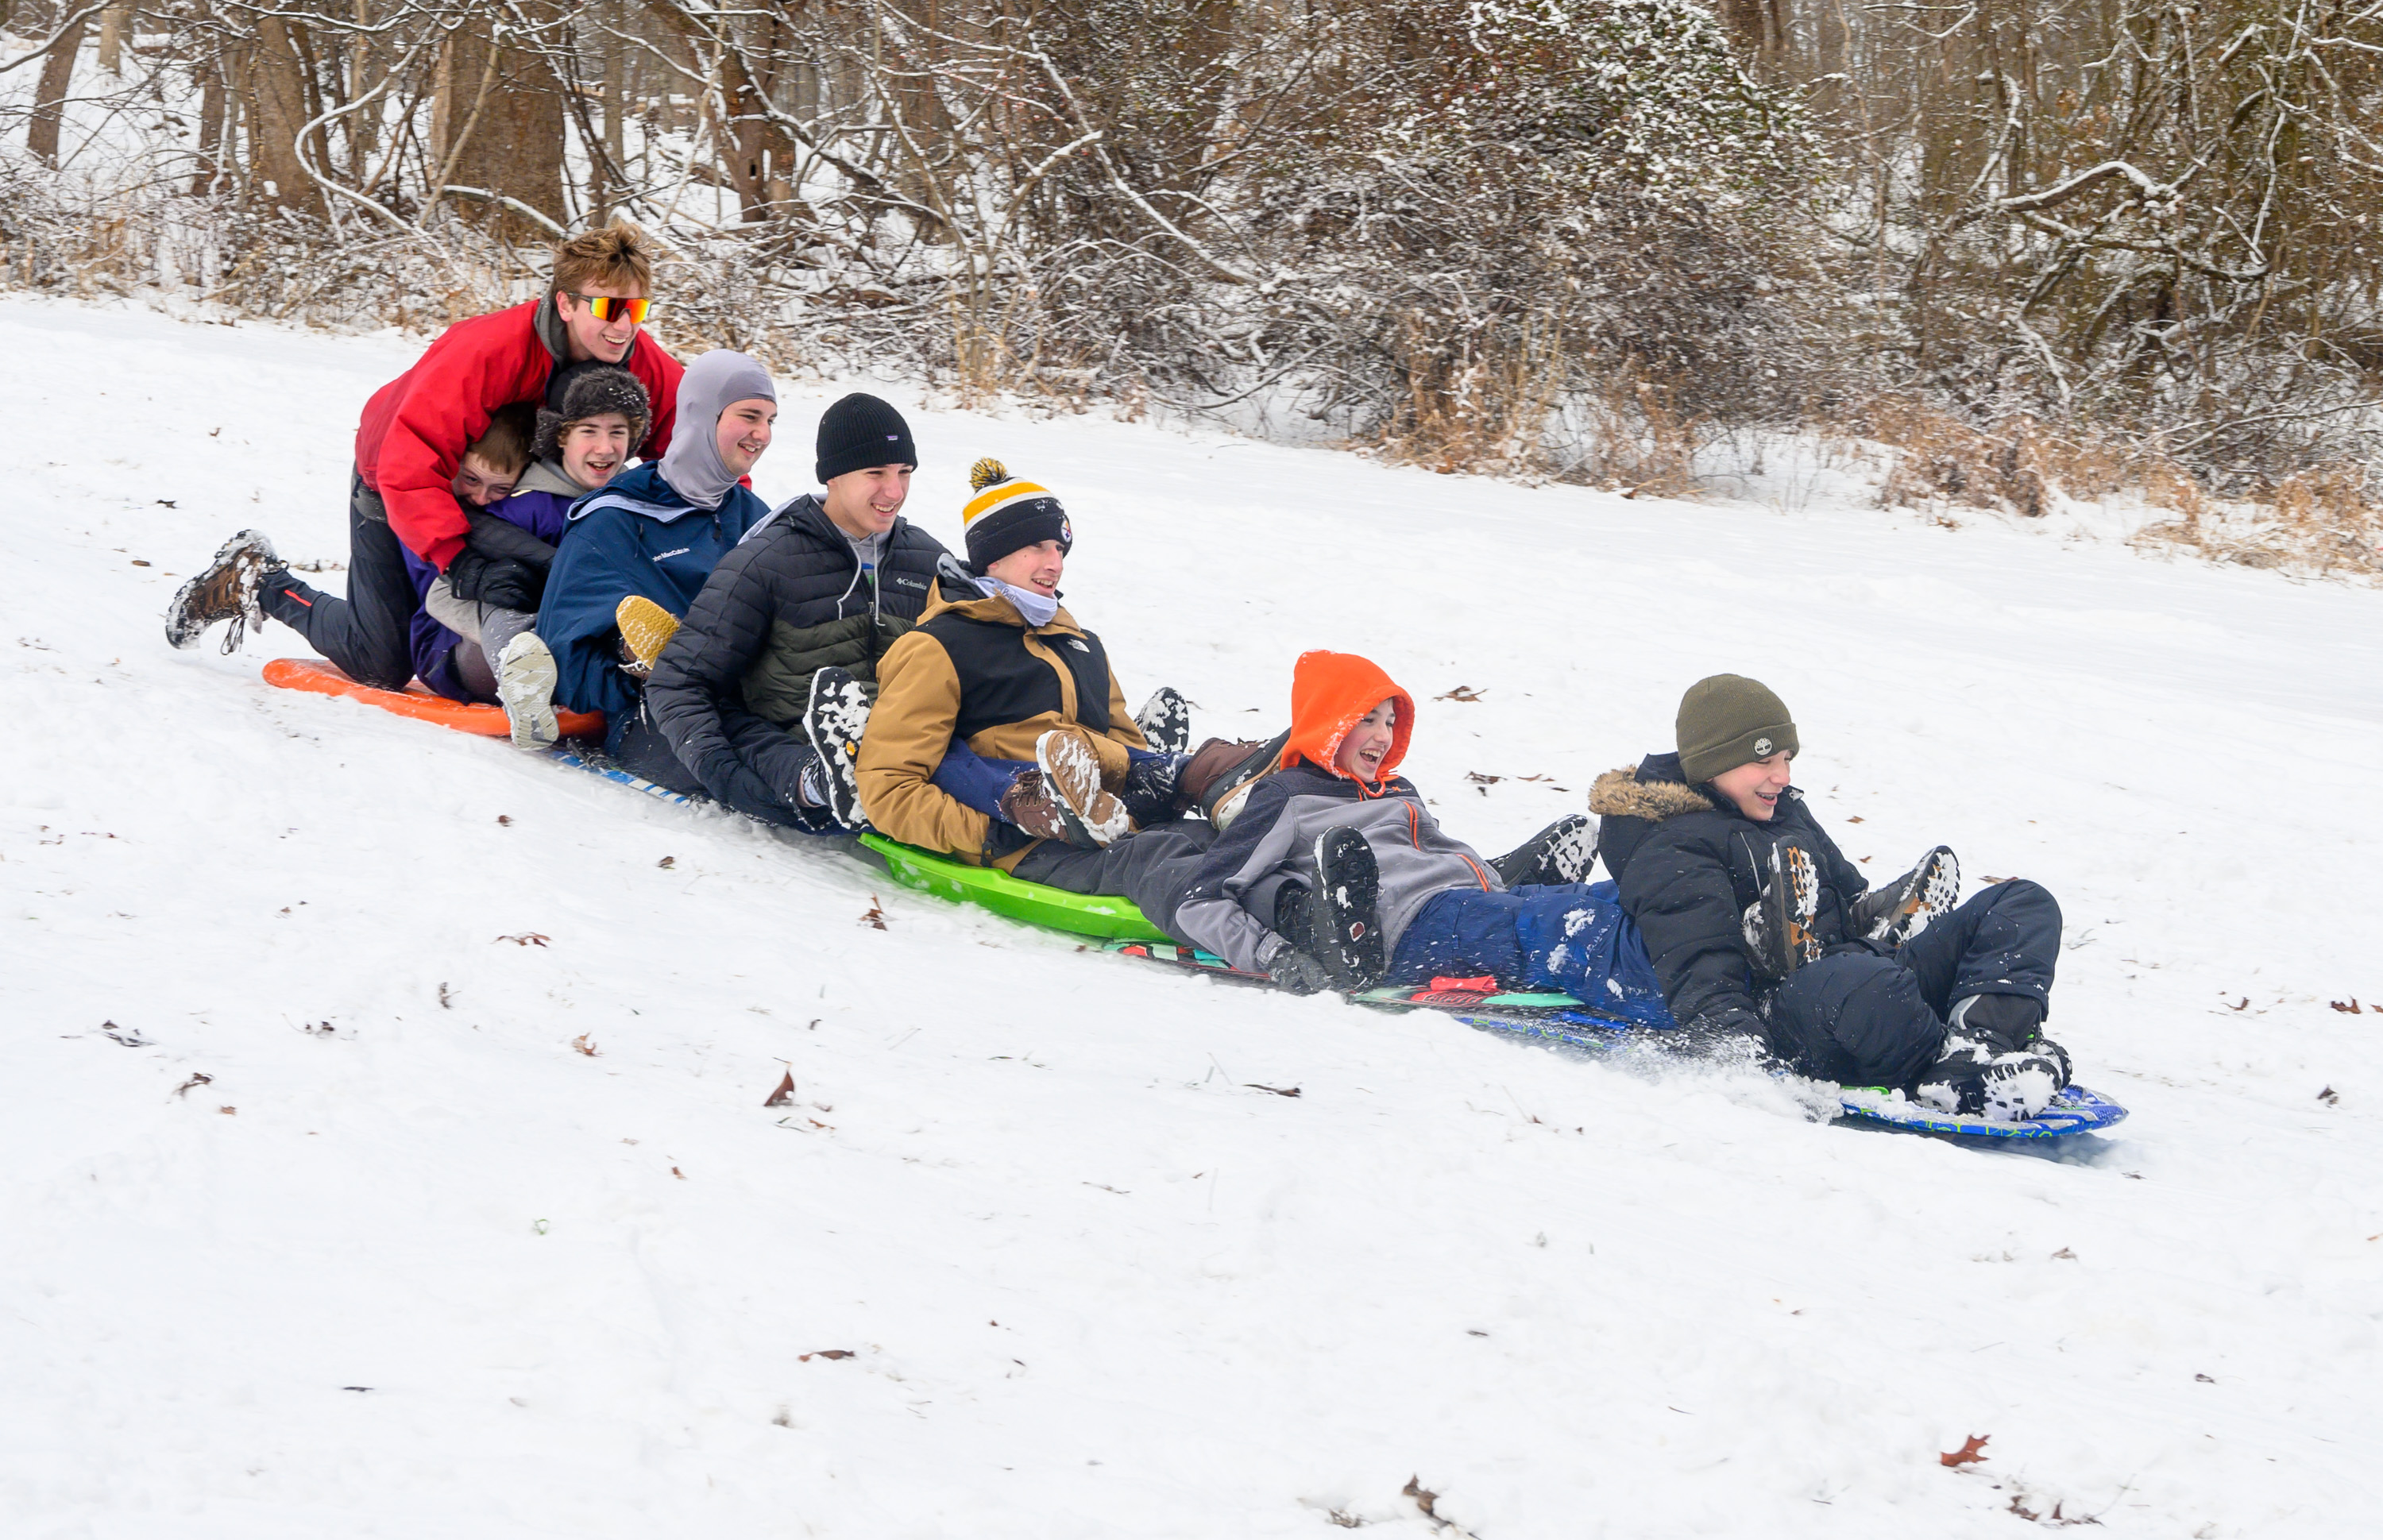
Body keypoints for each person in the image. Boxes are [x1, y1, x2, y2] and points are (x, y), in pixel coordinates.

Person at [164, 222, 682, 682]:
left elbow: (689, 451)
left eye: (636, 309)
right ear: (566, 304)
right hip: (396, 481)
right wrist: (459, 562)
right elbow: (408, 461)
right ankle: (259, 578)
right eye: (607, 308)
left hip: (496, 493)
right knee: (381, 658)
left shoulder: (643, 364)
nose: (623, 325)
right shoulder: (488, 350)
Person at [1591, 674, 2072, 1121]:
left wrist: (1881, 929)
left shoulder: (1782, 810)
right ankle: (1947, 1079)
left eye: (1787, 759)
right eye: (1764, 761)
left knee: (2024, 903)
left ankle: (1981, 1046)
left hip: (1855, 979)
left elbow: (1846, 898)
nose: (1782, 776)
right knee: (1867, 983)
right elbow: (1704, 978)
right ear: (1713, 763)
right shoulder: (1672, 846)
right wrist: (1750, 1070)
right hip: (1785, 1012)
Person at [1162, 650, 1613, 1002]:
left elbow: (1434, 854)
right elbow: (1198, 901)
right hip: (1409, 927)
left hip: (1470, 902)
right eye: (1368, 720)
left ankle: (1526, 885)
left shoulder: (1396, 788)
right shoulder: (1288, 796)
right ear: (1328, 723)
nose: (1384, 736)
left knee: (1606, 897)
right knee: (1565, 925)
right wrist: (1273, 954)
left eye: (1391, 722)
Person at [643, 394, 952, 828]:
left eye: (904, 473)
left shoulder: (928, 562)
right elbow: (680, 681)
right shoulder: (767, 562)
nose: (894, 491)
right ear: (834, 476)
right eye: (876, 473)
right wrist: (725, 776)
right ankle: (826, 783)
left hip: (909, 751)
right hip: (794, 749)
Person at [516, 349, 776, 768]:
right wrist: (632, 674)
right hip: (655, 716)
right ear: (701, 416)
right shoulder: (612, 521)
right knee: (751, 760)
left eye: (770, 421)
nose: (762, 434)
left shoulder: (754, 518)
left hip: (758, 699)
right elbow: (563, 659)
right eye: (749, 416)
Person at [403, 366, 651, 718]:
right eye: (589, 431)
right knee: (521, 608)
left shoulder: (634, 503)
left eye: (618, 432)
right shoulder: (524, 506)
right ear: (562, 436)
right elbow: (439, 597)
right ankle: (528, 680)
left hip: (576, 640)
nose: (605, 447)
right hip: (462, 649)